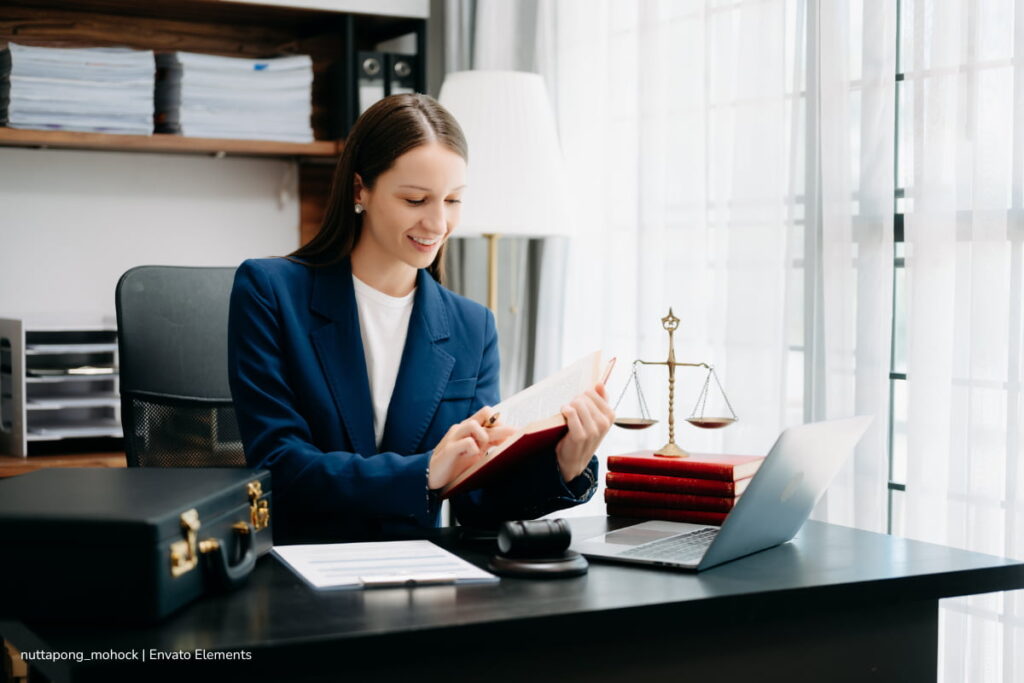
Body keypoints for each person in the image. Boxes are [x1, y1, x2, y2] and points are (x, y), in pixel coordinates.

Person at [228, 93, 614, 544]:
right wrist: (426, 470)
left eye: (453, 200)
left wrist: (563, 465)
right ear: (360, 191)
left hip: (419, 578)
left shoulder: (472, 326)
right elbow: (280, 466)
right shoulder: (269, 291)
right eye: (416, 199)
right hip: (299, 567)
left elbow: (476, 500)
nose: (438, 223)